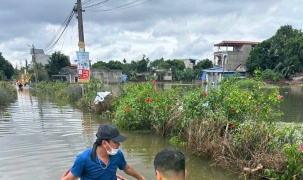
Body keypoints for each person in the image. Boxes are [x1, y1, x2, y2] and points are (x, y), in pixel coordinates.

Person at [61, 123, 145, 180]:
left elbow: (127, 168)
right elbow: (68, 178)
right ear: (104, 143)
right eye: (115, 142)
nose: (119, 145)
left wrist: (140, 177)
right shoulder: (83, 159)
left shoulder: (117, 155)